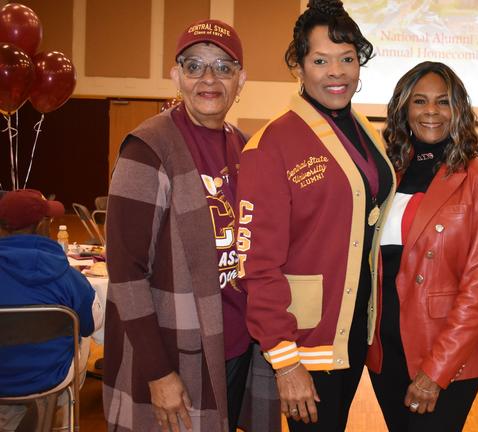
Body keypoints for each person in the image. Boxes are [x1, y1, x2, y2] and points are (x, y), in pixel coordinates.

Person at [103, 19, 278, 432]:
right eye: (194, 65)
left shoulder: (246, 147)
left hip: (236, 347)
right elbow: (126, 274)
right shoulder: (147, 149)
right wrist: (158, 373)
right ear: (176, 75)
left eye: (223, 67)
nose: (208, 78)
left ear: (242, 79)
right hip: (177, 351)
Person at [235, 1, 395, 430]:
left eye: (347, 59)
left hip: (353, 331)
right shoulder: (272, 144)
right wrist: (286, 363)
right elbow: (257, 263)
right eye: (320, 61)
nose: (336, 72)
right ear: (299, 66)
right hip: (306, 342)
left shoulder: (361, 127)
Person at [366, 61, 478, 431]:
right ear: (403, 109)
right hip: (385, 354)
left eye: (442, 102)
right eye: (419, 101)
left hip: (443, 357)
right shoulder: (387, 173)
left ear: (458, 109)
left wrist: (435, 371)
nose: (431, 112)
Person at [0, 189, 101, 429]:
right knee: (80, 332)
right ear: (42, 225)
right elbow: (92, 325)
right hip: (50, 378)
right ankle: (59, 417)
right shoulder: (67, 276)